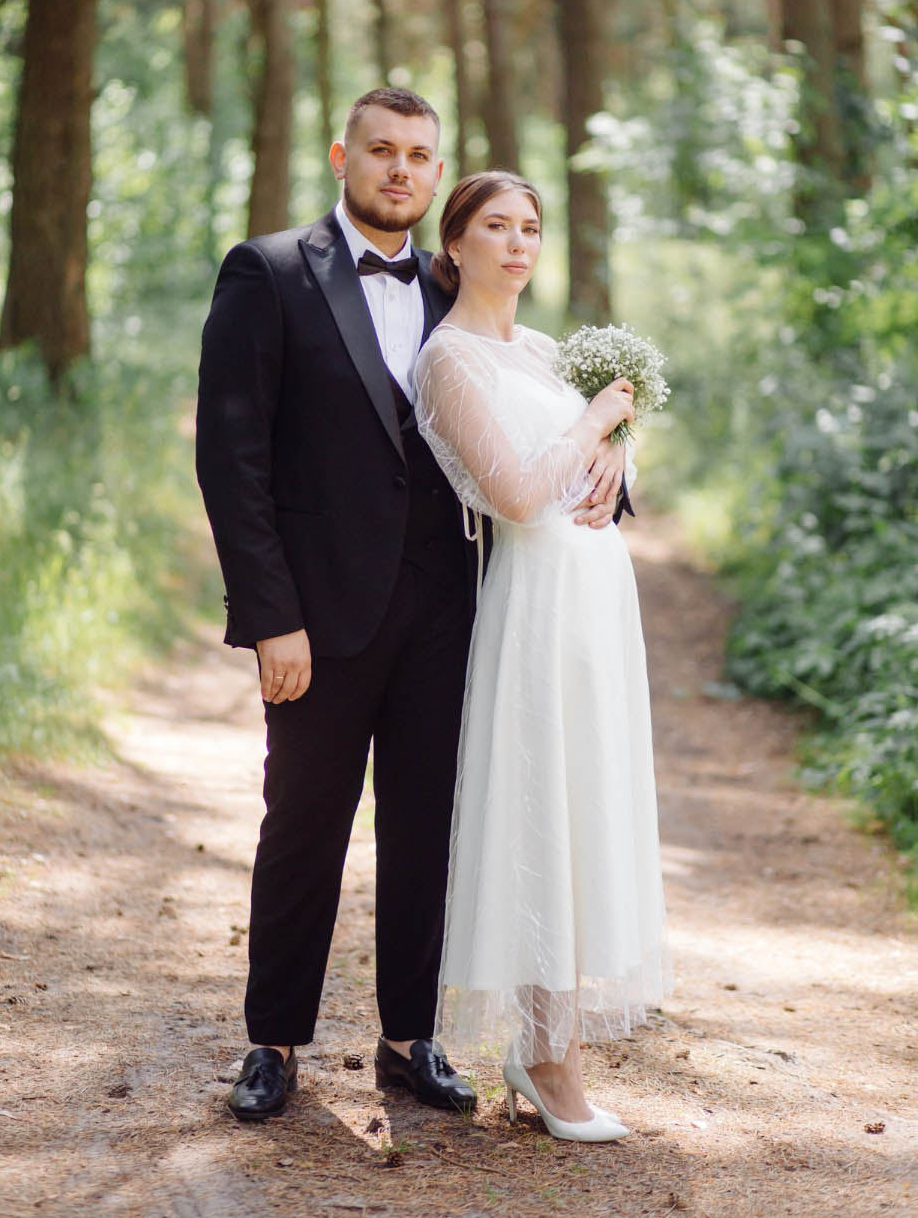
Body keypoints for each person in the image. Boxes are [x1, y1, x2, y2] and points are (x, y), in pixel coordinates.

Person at [196, 89, 631, 1123]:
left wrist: (616, 453)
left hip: (456, 614)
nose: (399, 169)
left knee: (432, 828)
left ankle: (409, 1039)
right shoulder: (268, 272)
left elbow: (538, 414)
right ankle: (274, 1043)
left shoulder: (465, 281)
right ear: (343, 155)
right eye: (381, 151)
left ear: (438, 177)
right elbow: (232, 456)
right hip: (319, 615)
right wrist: (269, 616)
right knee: (302, 823)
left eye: (419, 155)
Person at [413, 170, 670, 1143]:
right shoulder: (449, 362)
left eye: (530, 227)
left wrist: (615, 463)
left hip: (598, 602)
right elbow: (518, 493)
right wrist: (592, 425)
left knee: (586, 809)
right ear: (456, 242)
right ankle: (542, 1054)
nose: (518, 244)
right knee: (541, 814)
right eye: (495, 226)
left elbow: (590, 465)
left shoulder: (546, 348)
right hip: (533, 602)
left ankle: (550, 1045)